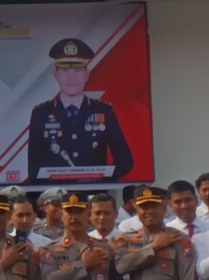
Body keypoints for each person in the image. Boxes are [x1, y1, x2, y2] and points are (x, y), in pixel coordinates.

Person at [27, 38, 134, 185]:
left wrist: (100, 179)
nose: (71, 77)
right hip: (56, 196)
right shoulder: (41, 114)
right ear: (56, 75)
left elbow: (125, 161)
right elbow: (33, 168)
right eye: (65, 70)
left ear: (86, 75)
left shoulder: (104, 111)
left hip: (94, 196)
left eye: (78, 70)